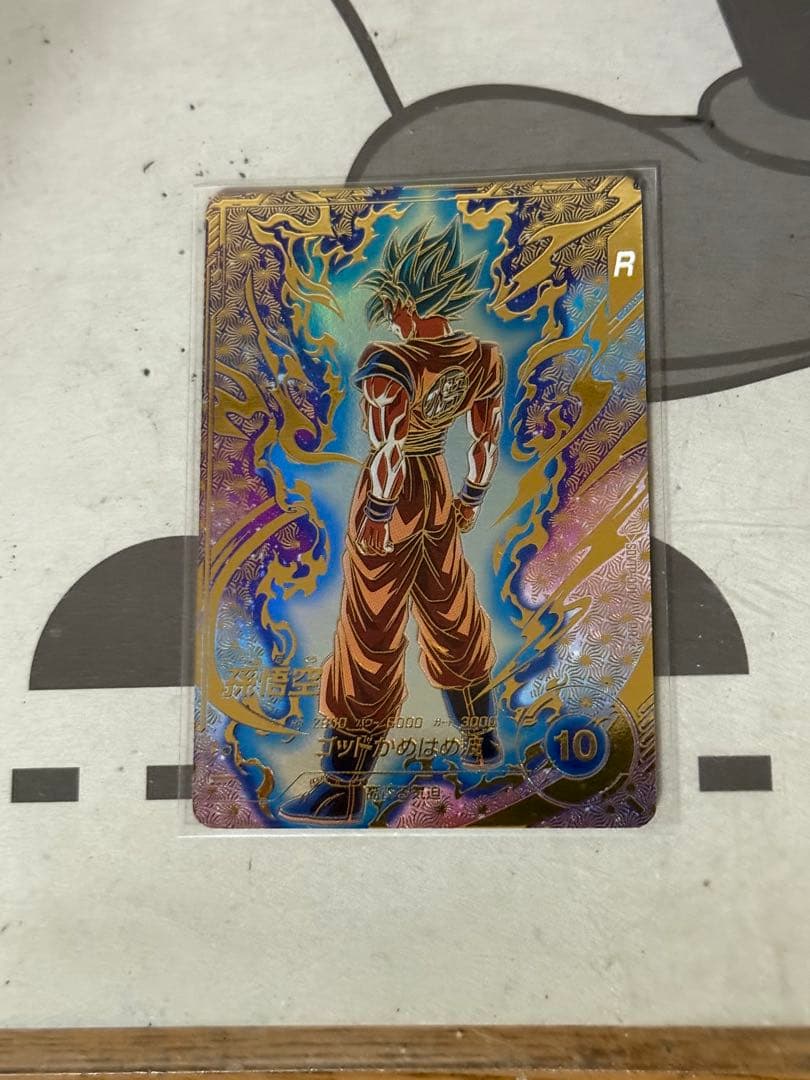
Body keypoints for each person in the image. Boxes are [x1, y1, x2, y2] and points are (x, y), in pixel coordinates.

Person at [282, 219, 504, 824]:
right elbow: (484, 440)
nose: (394, 318)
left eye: (396, 306)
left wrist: (379, 513)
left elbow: (387, 449)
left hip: (394, 492)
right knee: (452, 610)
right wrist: (470, 498)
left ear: (409, 301)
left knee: (369, 633)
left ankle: (343, 787)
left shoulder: (390, 360)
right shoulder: (482, 356)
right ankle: (482, 740)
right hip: (438, 489)